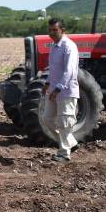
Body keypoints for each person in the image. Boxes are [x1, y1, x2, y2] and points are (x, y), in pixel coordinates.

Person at [42, 18, 80, 162]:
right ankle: (71, 143)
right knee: (46, 119)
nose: (51, 33)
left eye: (55, 30)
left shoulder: (69, 46)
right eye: (50, 30)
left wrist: (58, 88)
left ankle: (64, 154)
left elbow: (69, 71)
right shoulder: (53, 46)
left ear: (63, 30)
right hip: (53, 89)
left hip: (66, 91)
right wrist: (47, 83)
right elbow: (53, 70)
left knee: (64, 122)